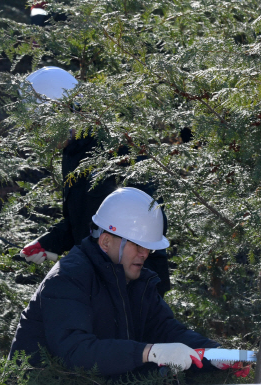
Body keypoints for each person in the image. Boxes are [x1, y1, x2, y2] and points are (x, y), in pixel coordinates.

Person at [9, 187, 244, 377]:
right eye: (137, 245)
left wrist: (216, 353)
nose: (144, 254)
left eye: (148, 248)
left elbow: (164, 329)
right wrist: (148, 352)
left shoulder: (136, 278)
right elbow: (75, 352)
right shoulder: (68, 277)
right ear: (105, 242)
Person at [18, 66, 172, 296]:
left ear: (64, 111)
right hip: (99, 283)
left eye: (41, 124)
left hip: (137, 285)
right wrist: (49, 243)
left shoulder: (115, 144)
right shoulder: (72, 152)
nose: (38, 133)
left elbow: (150, 218)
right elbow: (82, 221)